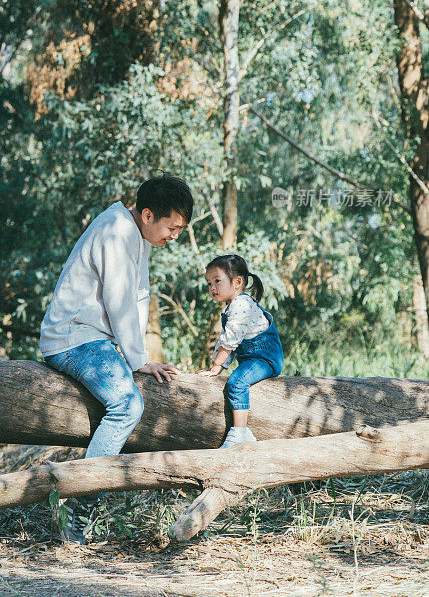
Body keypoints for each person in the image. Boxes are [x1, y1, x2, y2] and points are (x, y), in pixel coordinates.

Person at [40, 174, 193, 543]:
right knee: (127, 406)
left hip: (97, 340)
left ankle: (83, 502)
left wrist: (140, 356)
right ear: (147, 214)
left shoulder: (137, 235)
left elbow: (138, 298)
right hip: (74, 338)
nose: (174, 235)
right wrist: (138, 360)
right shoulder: (117, 231)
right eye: (172, 227)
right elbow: (119, 300)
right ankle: (79, 505)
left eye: (180, 229)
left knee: (127, 399)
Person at [197, 254, 283, 448]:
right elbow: (226, 340)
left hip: (265, 359)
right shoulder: (232, 307)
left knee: (237, 383)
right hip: (252, 359)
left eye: (217, 281)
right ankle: (242, 433)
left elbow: (229, 342)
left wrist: (217, 365)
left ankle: (240, 433)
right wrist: (217, 367)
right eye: (209, 283)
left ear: (237, 282)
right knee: (235, 378)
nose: (212, 288)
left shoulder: (242, 305)